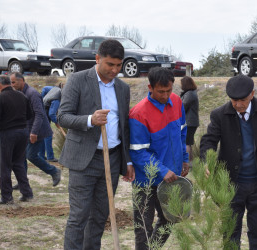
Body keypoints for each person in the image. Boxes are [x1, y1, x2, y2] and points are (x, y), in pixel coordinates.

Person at [57, 39, 134, 250]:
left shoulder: (123, 88)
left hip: (113, 156)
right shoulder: (78, 80)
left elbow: (124, 127)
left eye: (119, 65)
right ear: (97, 58)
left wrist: (127, 160)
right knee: (79, 216)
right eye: (110, 64)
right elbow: (62, 116)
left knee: (100, 217)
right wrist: (90, 119)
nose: (115, 70)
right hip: (84, 159)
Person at [200, 75, 257, 249]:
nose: (238, 105)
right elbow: (209, 140)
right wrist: (207, 161)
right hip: (230, 184)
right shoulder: (219, 114)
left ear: (252, 94)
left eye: (243, 100)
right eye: (234, 100)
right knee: (230, 233)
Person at [129, 67, 189, 250]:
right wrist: (163, 171)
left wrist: (185, 158)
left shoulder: (177, 102)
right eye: (160, 91)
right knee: (143, 228)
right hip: (145, 182)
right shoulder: (138, 114)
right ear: (150, 87)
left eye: (169, 90)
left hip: (172, 177)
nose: (165, 95)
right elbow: (138, 153)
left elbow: (182, 133)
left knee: (170, 219)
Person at [10, 72, 61, 187]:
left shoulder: (32, 94)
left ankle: (54, 171)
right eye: (11, 82)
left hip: (37, 130)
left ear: (21, 80)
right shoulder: (20, 93)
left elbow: (39, 114)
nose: (12, 85)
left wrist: (34, 132)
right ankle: (22, 180)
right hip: (27, 130)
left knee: (31, 156)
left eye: (14, 82)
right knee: (20, 155)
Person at [0, 75, 34, 204]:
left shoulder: (1, 98)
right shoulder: (22, 96)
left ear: (0, 85)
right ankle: (27, 193)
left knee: (5, 165)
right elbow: (31, 114)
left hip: (7, 133)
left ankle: (7, 197)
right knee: (18, 163)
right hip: (23, 132)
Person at [40, 84, 62, 162]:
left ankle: (41, 156)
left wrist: (42, 99)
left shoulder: (53, 89)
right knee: (48, 134)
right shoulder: (58, 97)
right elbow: (52, 114)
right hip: (44, 113)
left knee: (43, 135)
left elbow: (44, 88)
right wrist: (57, 122)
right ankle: (50, 157)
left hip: (42, 111)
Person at [180, 76, 199, 167]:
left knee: (186, 142)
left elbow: (183, 107)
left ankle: (188, 162)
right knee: (188, 142)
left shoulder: (189, 94)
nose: (181, 86)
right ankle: (189, 162)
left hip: (189, 122)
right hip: (191, 121)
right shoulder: (191, 93)